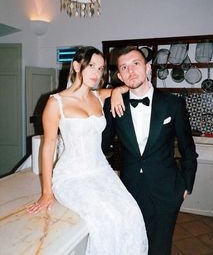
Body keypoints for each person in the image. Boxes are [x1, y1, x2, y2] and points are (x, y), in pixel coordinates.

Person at [26, 46, 148, 255]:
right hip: (72, 176)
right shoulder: (56, 103)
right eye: (91, 66)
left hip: (101, 171)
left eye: (100, 68)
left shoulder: (99, 96)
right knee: (103, 221)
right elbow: (48, 147)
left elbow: (128, 86)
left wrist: (117, 90)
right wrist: (47, 193)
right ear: (76, 66)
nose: (96, 73)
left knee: (132, 213)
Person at [102, 46, 198, 255]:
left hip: (167, 190)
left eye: (136, 64)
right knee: (132, 245)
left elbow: (188, 149)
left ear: (148, 68)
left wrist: (186, 185)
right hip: (129, 190)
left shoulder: (173, 104)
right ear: (119, 75)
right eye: (124, 67)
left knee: (160, 247)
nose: (131, 71)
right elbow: (101, 147)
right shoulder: (113, 104)